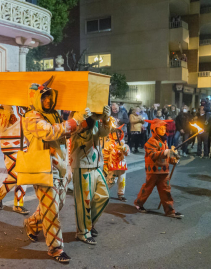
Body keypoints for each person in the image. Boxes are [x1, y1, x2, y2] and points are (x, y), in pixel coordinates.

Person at [22, 78, 89, 263]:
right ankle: (56, 248)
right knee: (51, 210)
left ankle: (32, 223)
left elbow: (65, 132)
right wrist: (76, 119)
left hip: (60, 168)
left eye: (50, 97)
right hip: (43, 170)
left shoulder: (55, 116)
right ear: (36, 99)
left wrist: (84, 121)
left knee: (56, 206)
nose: (49, 101)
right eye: (44, 98)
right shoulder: (31, 117)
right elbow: (50, 132)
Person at [69, 105, 111, 245]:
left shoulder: (95, 118)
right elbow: (78, 131)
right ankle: (83, 232)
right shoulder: (76, 116)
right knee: (84, 202)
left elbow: (104, 133)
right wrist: (88, 117)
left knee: (104, 196)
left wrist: (105, 119)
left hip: (97, 164)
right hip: (82, 165)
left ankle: (88, 224)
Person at [134, 119, 182, 219]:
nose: (163, 130)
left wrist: (174, 159)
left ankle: (170, 210)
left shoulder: (164, 141)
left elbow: (167, 156)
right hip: (153, 171)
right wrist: (166, 152)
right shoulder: (151, 142)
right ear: (154, 130)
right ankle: (139, 204)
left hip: (164, 171)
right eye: (160, 128)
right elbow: (153, 155)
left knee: (166, 191)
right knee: (147, 189)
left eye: (164, 128)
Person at [0, 105, 29, 214]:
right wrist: (7, 110)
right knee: (16, 176)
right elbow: (1, 126)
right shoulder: (3, 108)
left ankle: (18, 204)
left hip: (24, 147)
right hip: (10, 147)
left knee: (24, 176)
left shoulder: (23, 108)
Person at [103, 124, 130, 202]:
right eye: (114, 133)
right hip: (112, 164)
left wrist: (124, 149)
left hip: (122, 164)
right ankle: (105, 193)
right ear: (111, 134)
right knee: (110, 180)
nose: (116, 135)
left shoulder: (123, 143)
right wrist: (105, 164)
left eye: (118, 133)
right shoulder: (108, 144)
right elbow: (105, 154)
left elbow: (127, 153)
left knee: (122, 180)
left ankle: (121, 194)